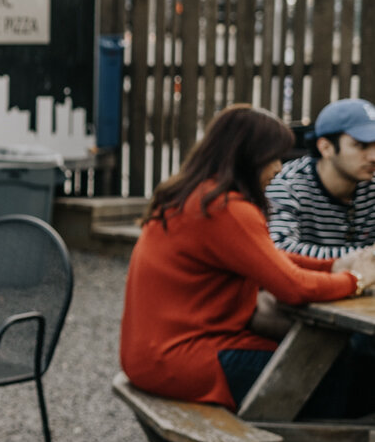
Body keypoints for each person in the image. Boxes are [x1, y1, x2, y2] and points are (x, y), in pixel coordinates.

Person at [120, 104, 375, 416]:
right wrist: (356, 280)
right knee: (329, 374)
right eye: (273, 157)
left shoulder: (196, 195)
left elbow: (266, 258)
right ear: (248, 157)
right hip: (184, 358)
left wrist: (333, 266)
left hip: (155, 353)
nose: (279, 168)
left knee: (322, 364)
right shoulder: (225, 208)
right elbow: (293, 287)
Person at [267, 98, 375, 259]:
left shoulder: (371, 184)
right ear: (326, 147)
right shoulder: (287, 185)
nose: (373, 156)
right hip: (306, 282)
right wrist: (365, 256)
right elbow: (278, 249)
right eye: (361, 145)